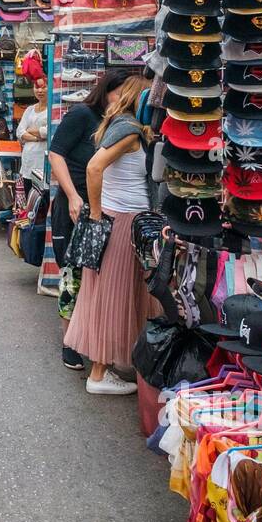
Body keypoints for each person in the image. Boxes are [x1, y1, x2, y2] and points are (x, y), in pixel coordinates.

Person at [63, 73, 158, 395]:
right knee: (113, 295)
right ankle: (100, 374)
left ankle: (110, 366)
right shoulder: (130, 131)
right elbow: (93, 167)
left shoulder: (121, 126)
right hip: (122, 221)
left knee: (114, 293)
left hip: (124, 219)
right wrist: (96, 211)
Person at [47, 69, 136, 371]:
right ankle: (69, 342)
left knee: (94, 276)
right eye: (118, 93)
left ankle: (89, 337)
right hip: (76, 204)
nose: (122, 100)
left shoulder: (120, 123)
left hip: (104, 207)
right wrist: (72, 195)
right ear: (106, 90)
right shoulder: (83, 114)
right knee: (73, 273)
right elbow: (55, 155)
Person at [16, 79, 50, 188]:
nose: (40, 91)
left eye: (43, 87)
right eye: (37, 87)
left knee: (42, 197)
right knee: (29, 197)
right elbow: (19, 132)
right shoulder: (30, 109)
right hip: (28, 160)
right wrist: (37, 138)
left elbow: (49, 131)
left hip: (43, 161)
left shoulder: (52, 110)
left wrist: (30, 130)